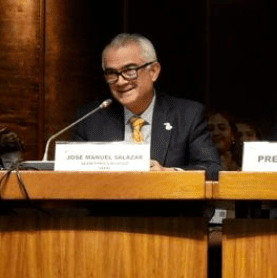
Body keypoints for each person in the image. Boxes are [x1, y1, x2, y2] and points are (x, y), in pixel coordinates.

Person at [71, 33, 221, 176]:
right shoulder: (90, 119)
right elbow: (71, 174)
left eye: (129, 70)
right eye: (112, 73)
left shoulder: (187, 115)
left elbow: (212, 169)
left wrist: (170, 174)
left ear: (153, 71)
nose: (121, 81)